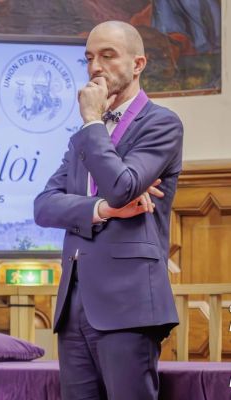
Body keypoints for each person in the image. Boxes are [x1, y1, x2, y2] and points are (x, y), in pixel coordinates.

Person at [34, 21, 183, 400]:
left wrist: (92, 122)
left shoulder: (161, 123)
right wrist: (102, 208)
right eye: (89, 58)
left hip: (129, 303)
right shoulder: (84, 138)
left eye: (107, 55)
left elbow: (121, 187)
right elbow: (44, 206)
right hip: (74, 305)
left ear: (138, 64)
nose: (95, 67)